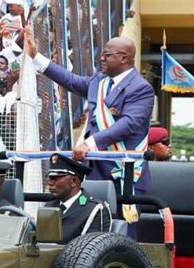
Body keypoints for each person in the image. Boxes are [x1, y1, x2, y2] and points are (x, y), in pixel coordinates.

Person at [24, 26, 154, 239]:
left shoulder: (141, 88)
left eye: (106, 54)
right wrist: (36, 57)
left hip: (125, 173)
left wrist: (91, 143)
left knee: (122, 235)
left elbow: (129, 123)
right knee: (93, 226)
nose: (101, 58)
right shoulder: (99, 81)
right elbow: (71, 81)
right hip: (94, 169)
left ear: (124, 58)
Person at [45, 153, 111, 244]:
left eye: (55, 178)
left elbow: (93, 251)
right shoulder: (49, 206)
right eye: (50, 178)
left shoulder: (93, 209)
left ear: (73, 181)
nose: (50, 183)